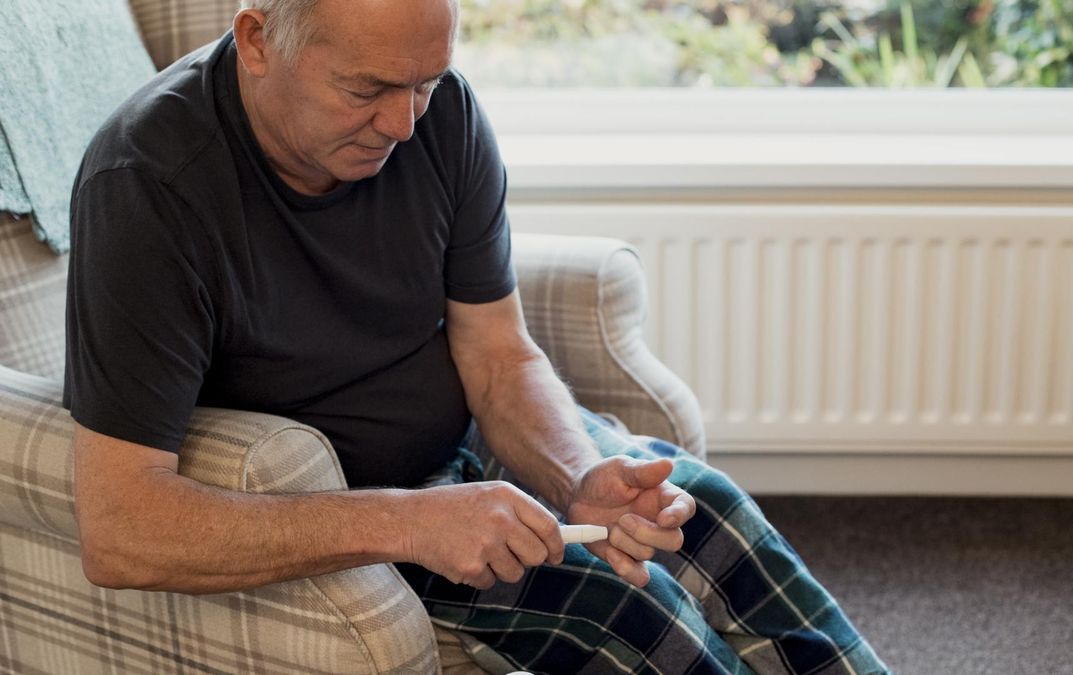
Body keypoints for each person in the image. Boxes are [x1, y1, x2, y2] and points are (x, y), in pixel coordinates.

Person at [65, 0, 888, 672]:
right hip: (343, 513)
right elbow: (121, 527)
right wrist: (411, 522)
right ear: (256, 41)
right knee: (636, 610)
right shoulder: (147, 187)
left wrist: (578, 474)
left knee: (712, 512)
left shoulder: (445, 113)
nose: (403, 123)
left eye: (423, 83)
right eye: (367, 89)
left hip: (463, 453)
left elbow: (498, 355)